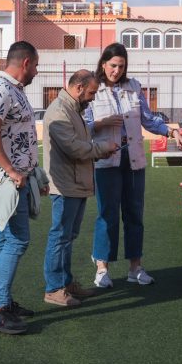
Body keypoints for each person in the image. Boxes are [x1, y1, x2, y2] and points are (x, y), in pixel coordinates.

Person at [86, 42, 182, 288]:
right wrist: (102, 123)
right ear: (103, 64)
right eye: (112, 66)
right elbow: (83, 124)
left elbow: (148, 119)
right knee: (106, 215)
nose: (116, 71)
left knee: (134, 215)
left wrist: (170, 132)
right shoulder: (92, 89)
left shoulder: (134, 88)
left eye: (121, 66)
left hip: (133, 161)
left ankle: (135, 268)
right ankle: (102, 268)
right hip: (106, 162)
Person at [0, 41, 47, 334]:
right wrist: (12, 171)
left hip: (17, 178)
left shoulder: (13, 90)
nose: (37, 72)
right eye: (37, 65)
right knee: (17, 241)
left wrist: (33, 172)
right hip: (7, 181)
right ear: (26, 62)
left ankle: (3, 303)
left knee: (3, 241)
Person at [42, 69, 118, 307]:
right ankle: (54, 288)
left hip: (76, 183)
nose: (93, 97)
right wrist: (103, 147)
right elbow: (75, 148)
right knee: (60, 237)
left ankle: (66, 283)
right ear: (78, 88)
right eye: (91, 92)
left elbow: (81, 145)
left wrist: (98, 148)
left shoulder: (73, 109)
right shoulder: (59, 112)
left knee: (68, 237)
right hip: (65, 186)